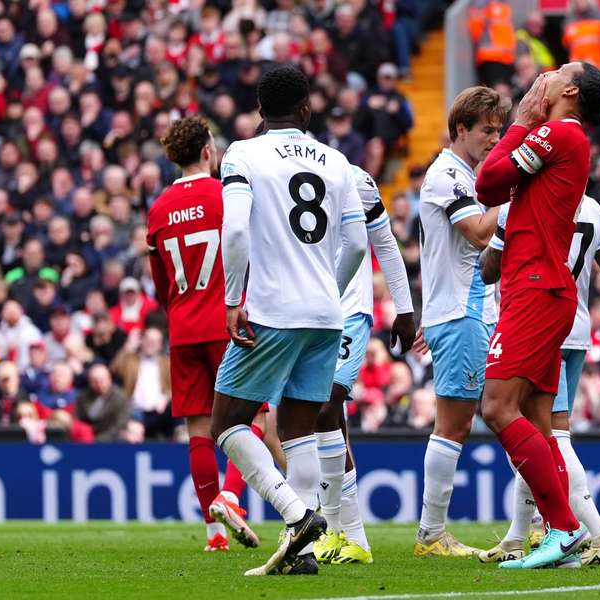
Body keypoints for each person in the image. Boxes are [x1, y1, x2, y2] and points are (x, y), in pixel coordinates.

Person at [211, 65, 367, 577]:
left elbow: (234, 233)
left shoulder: (243, 154)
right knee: (299, 429)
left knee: (227, 420)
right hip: (326, 314)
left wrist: (234, 299)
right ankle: (299, 554)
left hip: (272, 310)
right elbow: (359, 244)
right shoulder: (338, 162)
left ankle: (297, 515)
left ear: (260, 111)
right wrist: (330, 289)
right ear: (306, 109)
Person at [474, 63, 600, 570]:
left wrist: (521, 122)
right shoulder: (559, 138)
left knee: (497, 408)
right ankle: (564, 537)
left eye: (555, 73)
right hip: (541, 289)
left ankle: (567, 529)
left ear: (569, 91)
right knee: (537, 419)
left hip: (536, 288)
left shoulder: (557, 133)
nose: (542, 78)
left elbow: (487, 183)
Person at [478, 195, 600, 567]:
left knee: (549, 437)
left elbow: (488, 271)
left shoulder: (524, 204)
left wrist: (495, 230)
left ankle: (597, 535)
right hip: (576, 327)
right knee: (537, 432)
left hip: (534, 321)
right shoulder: (594, 207)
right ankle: (518, 536)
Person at [146, 116, 260, 553]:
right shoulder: (224, 195)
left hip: (183, 325)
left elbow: (160, 283)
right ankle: (230, 498)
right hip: (228, 321)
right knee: (250, 417)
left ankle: (213, 534)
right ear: (208, 151)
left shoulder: (158, 208)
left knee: (199, 428)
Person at [411, 86, 508, 558]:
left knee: (487, 415)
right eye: (487, 130)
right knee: (454, 424)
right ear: (461, 130)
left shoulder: (466, 175)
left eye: (499, 130)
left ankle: (528, 526)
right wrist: (518, 193)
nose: (496, 138)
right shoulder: (446, 175)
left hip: (470, 312)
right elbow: (476, 233)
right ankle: (431, 533)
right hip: (462, 311)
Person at [312, 166, 415, 566]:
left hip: (348, 309)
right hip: (304, 311)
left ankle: (333, 530)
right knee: (324, 417)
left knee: (324, 406)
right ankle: (349, 538)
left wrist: (404, 309)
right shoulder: (274, 171)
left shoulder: (352, 177)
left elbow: (385, 243)